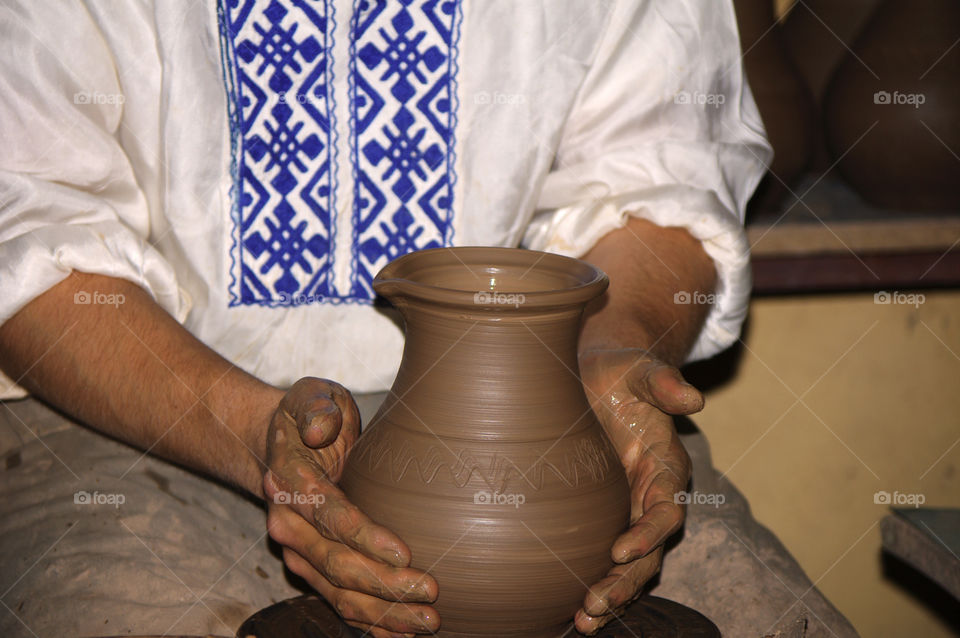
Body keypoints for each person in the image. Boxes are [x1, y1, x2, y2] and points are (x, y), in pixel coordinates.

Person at [0, 1, 857, 636]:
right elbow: (27, 218)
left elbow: (659, 181)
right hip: (135, 418)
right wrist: (248, 427)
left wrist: (620, 341)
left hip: (560, 412)